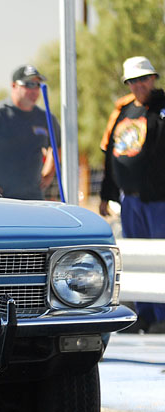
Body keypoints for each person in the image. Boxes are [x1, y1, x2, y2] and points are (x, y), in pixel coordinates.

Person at [98, 56, 165, 333]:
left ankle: (162, 316)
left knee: (160, 255)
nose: (140, 85)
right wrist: (106, 194)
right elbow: (109, 154)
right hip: (129, 199)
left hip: (158, 198)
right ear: (127, 83)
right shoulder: (122, 111)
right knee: (136, 257)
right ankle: (144, 314)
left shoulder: (162, 107)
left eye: (144, 79)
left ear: (153, 79)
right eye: (134, 81)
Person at [0, 65, 60, 200]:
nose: (34, 90)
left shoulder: (46, 118)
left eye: (38, 85)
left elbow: (56, 146)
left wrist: (49, 174)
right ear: (14, 86)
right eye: (29, 84)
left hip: (35, 200)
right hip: (1, 201)